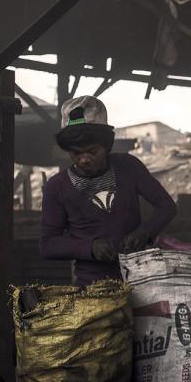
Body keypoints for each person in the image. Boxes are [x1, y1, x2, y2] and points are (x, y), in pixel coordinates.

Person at [40, 96, 177, 286]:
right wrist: (90, 247)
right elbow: (48, 245)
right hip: (92, 288)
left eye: (92, 151)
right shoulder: (57, 187)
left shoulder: (128, 167)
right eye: (76, 153)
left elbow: (166, 206)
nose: (84, 160)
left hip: (141, 279)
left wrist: (144, 233)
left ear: (107, 146)